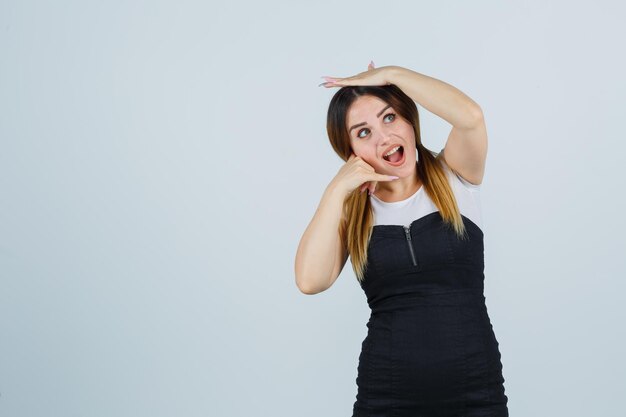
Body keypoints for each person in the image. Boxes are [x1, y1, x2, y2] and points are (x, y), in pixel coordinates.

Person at [294, 62, 509, 416]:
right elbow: (309, 280)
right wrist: (336, 190)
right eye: (363, 133)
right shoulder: (353, 210)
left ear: (410, 120)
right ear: (350, 152)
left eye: (389, 117)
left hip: (476, 392)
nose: (383, 137)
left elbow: (470, 116)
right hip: (387, 398)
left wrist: (392, 74)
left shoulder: (455, 174)